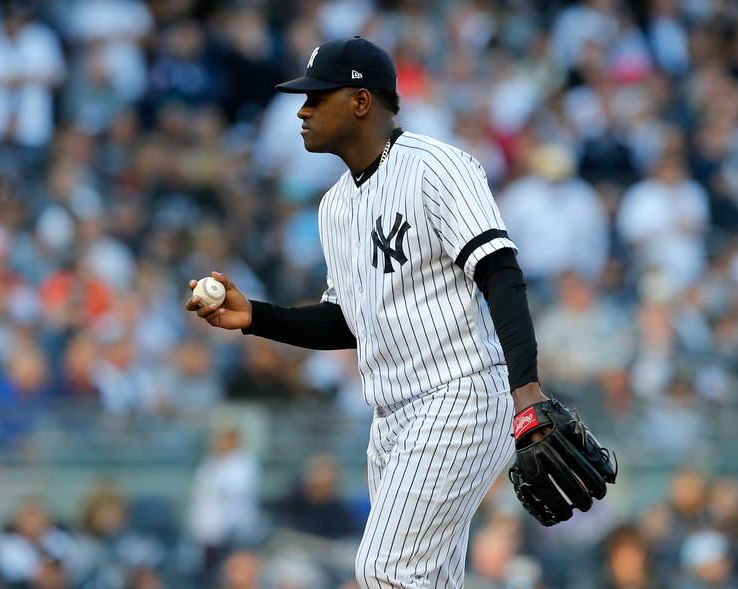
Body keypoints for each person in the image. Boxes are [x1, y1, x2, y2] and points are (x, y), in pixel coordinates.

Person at [186, 36, 612, 588]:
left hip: (458, 397)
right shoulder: (334, 206)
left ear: (361, 102)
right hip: (391, 418)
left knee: (384, 569)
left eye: (317, 97)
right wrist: (257, 317)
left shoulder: (438, 166)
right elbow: (347, 320)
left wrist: (526, 392)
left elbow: (499, 271)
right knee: (427, 579)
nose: (302, 109)